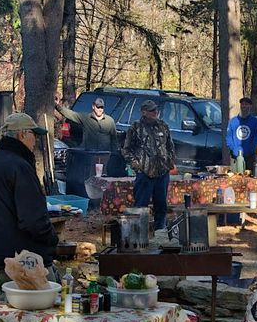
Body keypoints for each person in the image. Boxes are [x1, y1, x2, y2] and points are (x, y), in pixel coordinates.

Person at [0, 113, 59, 267]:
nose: (35, 140)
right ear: (22, 134)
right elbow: (33, 221)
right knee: (51, 290)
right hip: (24, 258)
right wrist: (52, 239)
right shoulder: (20, 167)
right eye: (33, 134)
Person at [122, 100, 176, 231]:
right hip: (145, 173)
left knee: (161, 206)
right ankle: (138, 233)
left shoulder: (163, 126)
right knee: (140, 206)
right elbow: (126, 150)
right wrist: (137, 165)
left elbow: (170, 146)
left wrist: (169, 161)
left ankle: (160, 232)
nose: (155, 112)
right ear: (144, 112)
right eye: (151, 110)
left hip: (162, 173)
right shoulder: (135, 128)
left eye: (155, 110)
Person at [56, 96, 121, 195]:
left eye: (101, 107)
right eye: (98, 107)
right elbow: (71, 114)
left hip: (105, 157)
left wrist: (115, 155)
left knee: (103, 181)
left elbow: (114, 140)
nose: (99, 109)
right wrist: (57, 106)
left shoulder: (110, 121)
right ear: (93, 106)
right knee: (88, 181)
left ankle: (101, 201)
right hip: (89, 157)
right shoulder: (85, 118)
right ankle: (89, 200)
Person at [225, 96, 257, 172]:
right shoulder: (233, 121)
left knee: (249, 179)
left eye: (246, 104)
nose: (244, 106)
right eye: (242, 104)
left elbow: (256, 138)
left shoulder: (255, 121)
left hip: (249, 156)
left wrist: (251, 150)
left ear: (250, 106)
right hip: (235, 156)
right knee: (235, 178)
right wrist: (234, 150)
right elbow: (229, 137)